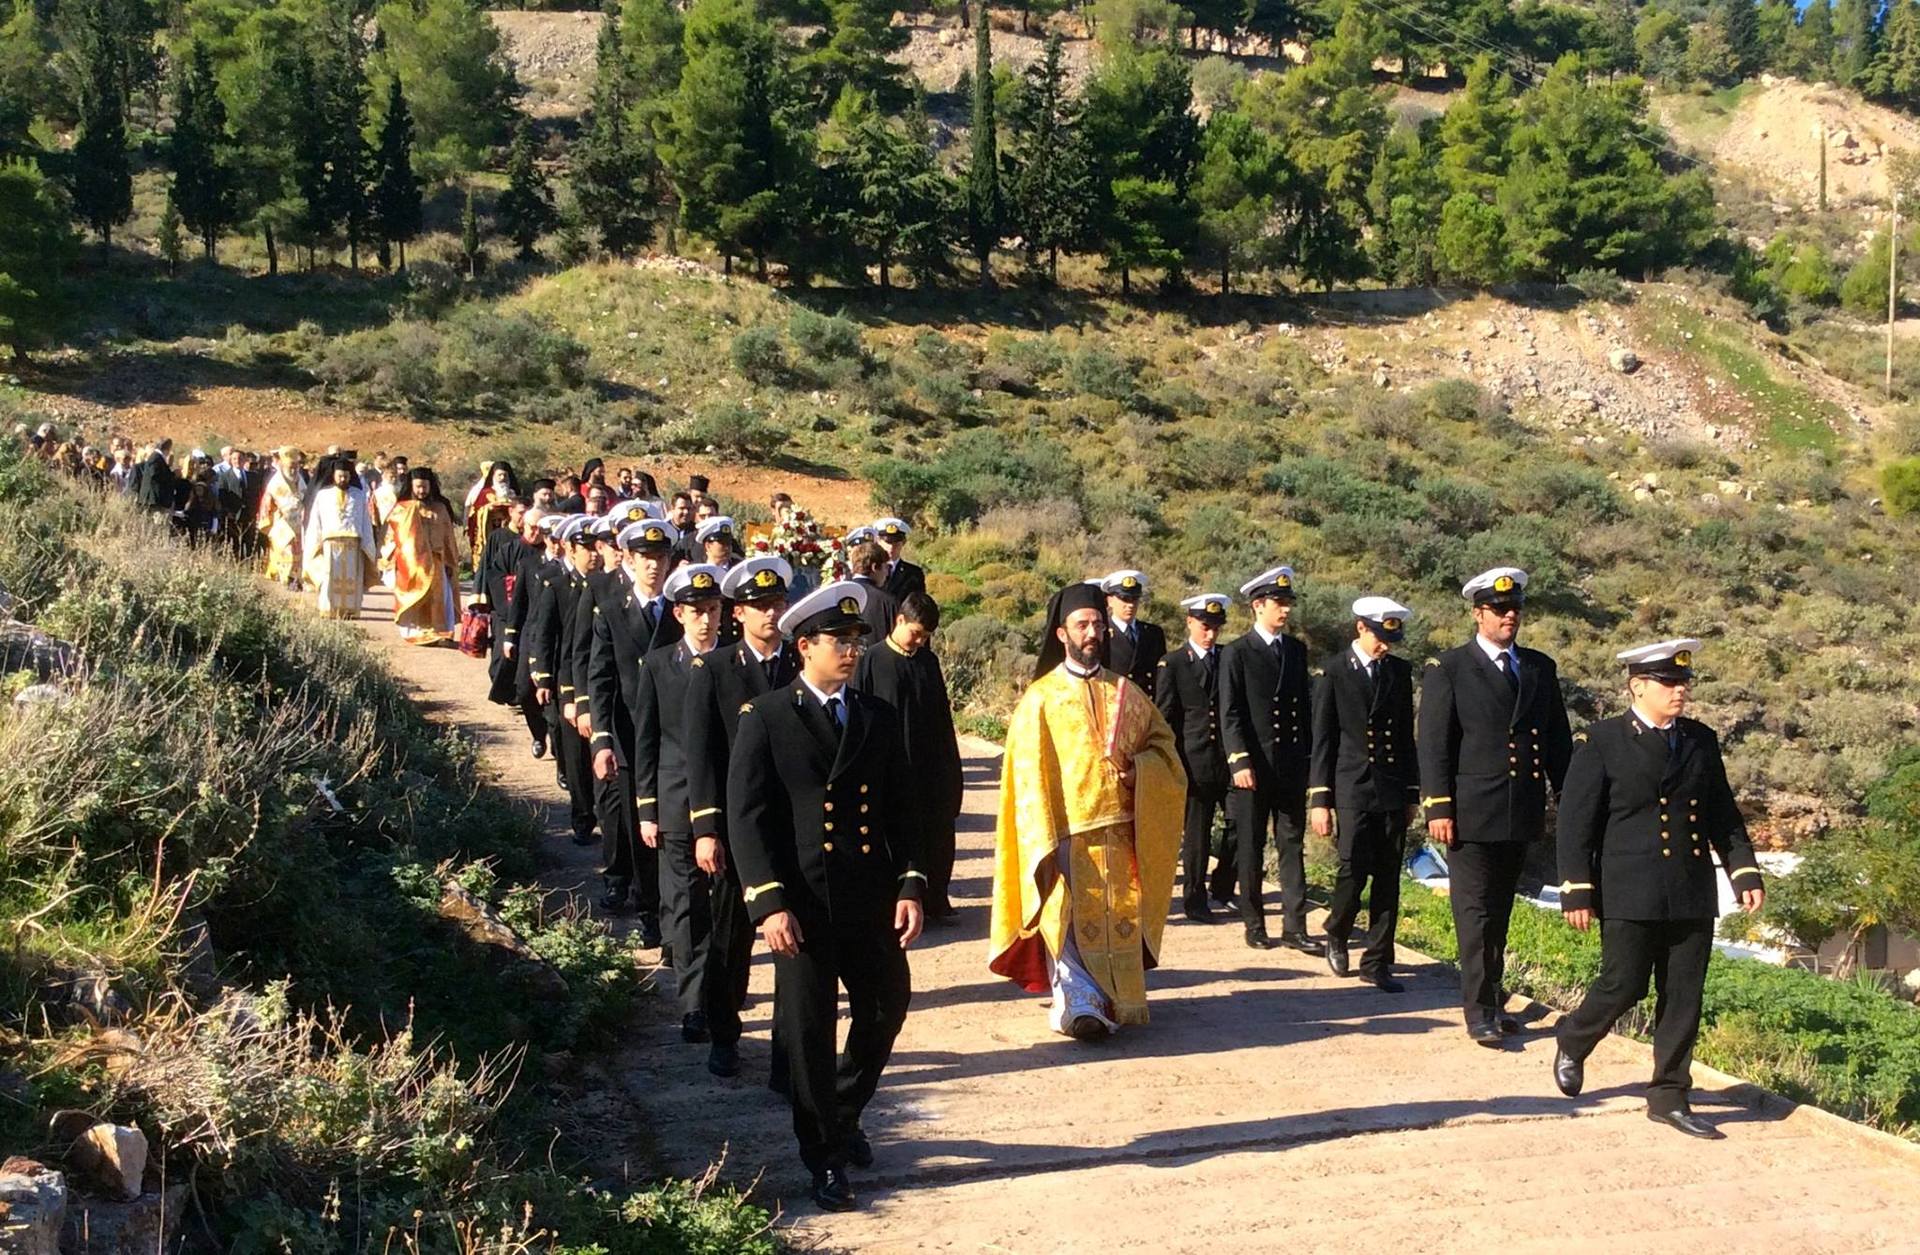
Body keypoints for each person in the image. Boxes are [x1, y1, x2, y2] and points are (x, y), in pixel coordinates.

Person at [728, 580, 924, 1212]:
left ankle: (841, 1109)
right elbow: (748, 817)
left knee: (887, 1005)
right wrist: (767, 902)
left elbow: (903, 810)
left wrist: (912, 883)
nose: (851, 651)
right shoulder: (768, 718)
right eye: (840, 641)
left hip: (867, 898)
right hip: (804, 905)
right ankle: (825, 1156)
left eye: (856, 641)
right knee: (809, 1032)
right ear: (804, 645)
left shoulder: (875, 716)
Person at [1552, 640, 1764, 1138]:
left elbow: (1722, 813)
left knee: (1684, 994)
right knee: (1623, 984)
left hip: (1689, 886)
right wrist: (1576, 888)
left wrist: (1744, 870)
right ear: (1638, 686)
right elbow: (1575, 822)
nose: (1680, 691)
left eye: (1683, 682)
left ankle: (1669, 1094)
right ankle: (1574, 1038)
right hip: (1628, 886)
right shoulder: (1602, 740)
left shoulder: (1699, 740)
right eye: (1669, 683)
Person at [988, 581, 1186, 1039]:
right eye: (1082, 625)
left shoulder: (1127, 692)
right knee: (1071, 921)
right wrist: (1041, 833)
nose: (1092, 632)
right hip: (1065, 831)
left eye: (1098, 623)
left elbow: (1166, 752)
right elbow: (1025, 772)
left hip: (1120, 830)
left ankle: (1114, 1000)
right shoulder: (1040, 697)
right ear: (1062, 634)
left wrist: (1140, 771)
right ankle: (1075, 1004)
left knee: (1119, 919)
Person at [1418, 566, 1574, 1045]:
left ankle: (1493, 997)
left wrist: (1572, 799)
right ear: (1478, 613)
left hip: (1520, 808)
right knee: (1475, 912)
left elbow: (1556, 742)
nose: (1511, 617)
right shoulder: (1449, 669)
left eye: (1516, 610)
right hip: (1469, 811)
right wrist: (1438, 806)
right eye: (1500, 610)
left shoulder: (1538, 668)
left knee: (1501, 911)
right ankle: (1478, 1009)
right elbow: (1435, 745)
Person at [685, 555, 800, 1079]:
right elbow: (701, 755)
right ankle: (724, 1032)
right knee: (732, 936)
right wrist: (706, 828)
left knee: (795, 943)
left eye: (777, 603)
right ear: (739, 613)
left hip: (793, 823)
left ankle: (787, 1050)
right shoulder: (714, 670)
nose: (771, 614)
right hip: (736, 825)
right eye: (760, 606)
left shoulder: (800, 665)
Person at [1309, 597, 1421, 993]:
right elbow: (1322, 740)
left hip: (1390, 787)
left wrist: (1412, 792)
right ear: (1361, 628)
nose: (1385, 645)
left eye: (1391, 637)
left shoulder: (1398, 671)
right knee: (1352, 871)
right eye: (1379, 636)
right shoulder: (1333, 673)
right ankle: (1337, 929)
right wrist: (1320, 800)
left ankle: (1378, 960)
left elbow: (1406, 737)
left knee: (1389, 877)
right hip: (1352, 785)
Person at [636, 563, 727, 1033]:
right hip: (675, 802)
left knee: (724, 905)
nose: (706, 620)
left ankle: (722, 988)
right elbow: (647, 740)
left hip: (728, 806)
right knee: (688, 904)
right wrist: (647, 808)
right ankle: (694, 1004)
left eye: (712, 610)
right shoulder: (658, 666)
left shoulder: (734, 663)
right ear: (678, 614)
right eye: (696, 611)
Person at [1219, 565, 1321, 953]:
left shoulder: (1295, 650)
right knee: (1250, 847)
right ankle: (1254, 922)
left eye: (1288, 604)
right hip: (1254, 766)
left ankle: (1295, 927)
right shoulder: (1237, 653)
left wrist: (1310, 763)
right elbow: (1230, 712)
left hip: (1290, 764)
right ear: (1258, 606)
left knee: (1291, 845)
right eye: (1279, 603)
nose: (1286, 611)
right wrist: (1239, 760)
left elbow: (1304, 709)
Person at [586, 518, 683, 926]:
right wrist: (602, 740)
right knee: (639, 826)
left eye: (661, 557)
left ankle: (674, 915)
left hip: (674, 736)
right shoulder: (612, 610)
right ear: (629, 558)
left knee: (675, 828)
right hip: (629, 737)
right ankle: (648, 914)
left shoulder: (683, 613)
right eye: (645, 557)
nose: (654, 566)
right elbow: (601, 677)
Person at [853, 591, 963, 923]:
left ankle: (936, 902)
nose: (918, 641)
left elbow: (942, 718)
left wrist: (950, 770)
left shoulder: (928, 662)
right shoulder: (871, 660)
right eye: (915, 633)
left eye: (925, 637)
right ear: (899, 620)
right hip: (888, 769)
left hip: (928, 770)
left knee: (936, 836)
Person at [1155, 592, 1237, 923]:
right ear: (1190, 623)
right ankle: (1194, 898)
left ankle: (1223, 885)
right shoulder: (1173, 663)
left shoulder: (1229, 658)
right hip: (1193, 759)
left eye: (1216, 627)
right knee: (1198, 836)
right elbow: (1165, 717)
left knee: (1238, 826)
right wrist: (1171, 763)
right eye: (1205, 626)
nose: (1211, 633)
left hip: (1228, 760)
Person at [384, 467, 462, 645]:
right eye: (418, 487)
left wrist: (451, 562)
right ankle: (420, 634)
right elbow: (392, 537)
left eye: (425, 487)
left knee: (440, 598)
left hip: (437, 561)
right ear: (411, 486)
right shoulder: (401, 509)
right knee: (417, 596)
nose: (421, 491)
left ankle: (442, 633)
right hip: (412, 563)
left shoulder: (441, 508)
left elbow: (448, 537)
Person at [302, 456, 378, 619]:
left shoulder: (358, 495)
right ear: (333, 476)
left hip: (353, 544)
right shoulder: (323, 495)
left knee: (352, 579)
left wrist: (368, 544)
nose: (343, 479)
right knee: (329, 577)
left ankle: (350, 611)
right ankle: (329, 609)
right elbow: (316, 520)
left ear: (350, 477)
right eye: (340, 476)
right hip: (331, 543)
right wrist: (314, 543)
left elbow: (365, 520)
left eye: (346, 476)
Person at [1102, 569, 1167, 696]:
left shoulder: (1153, 633)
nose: (1130, 605)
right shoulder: (1102, 632)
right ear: (1110, 601)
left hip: (1145, 704)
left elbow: (1160, 678)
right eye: (1124, 599)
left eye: (1134, 599)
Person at [257, 447, 307, 588]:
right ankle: (285, 577)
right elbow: (268, 501)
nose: (293, 470)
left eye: (296, 467)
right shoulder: (276, 481)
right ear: (283, 466)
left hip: (297, 522)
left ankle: (295, 578)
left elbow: (304, 495)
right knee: (286, 549)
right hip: (281, 522)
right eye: (291, 467)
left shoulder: (300, 479)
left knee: (297, 551)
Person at [465, 460, 521, 571]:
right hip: (491, 533)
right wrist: (487, 509)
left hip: (511, 533)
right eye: (499, 475)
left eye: (505, 475)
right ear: (493, 476)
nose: (502, 478)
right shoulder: (485, 493)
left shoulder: (514, 494)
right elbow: (474, 513)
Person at [846, 541, 898, 641]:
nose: (887, 574)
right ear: (874, 567)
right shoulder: (887, 601)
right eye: (886, 567)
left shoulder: (838, 594)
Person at [874, 517, 925, 598]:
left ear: (904, 542)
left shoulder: (914, 573)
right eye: (888, 542)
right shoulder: (871, 570)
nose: (891, 547)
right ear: (878, 541)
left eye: (896, 543)